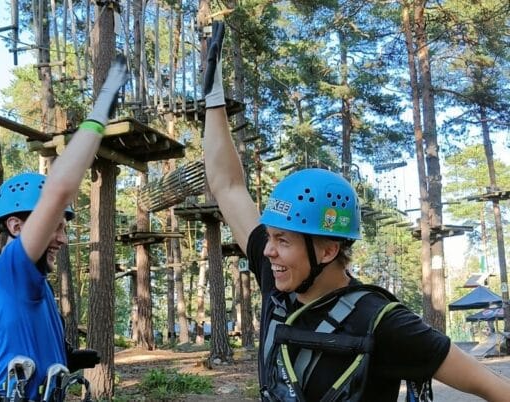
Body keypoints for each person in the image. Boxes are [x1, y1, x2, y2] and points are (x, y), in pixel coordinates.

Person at [201, 20, 510, 401]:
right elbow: (227, 186)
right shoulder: (280, 281)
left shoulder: (382, 322)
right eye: (271, 237)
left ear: (328, 250)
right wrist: (212, 99)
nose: (267, 249)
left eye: (282, 240)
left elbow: (493, 387)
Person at [0, 55, 129, 402]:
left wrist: (63, 355)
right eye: (54, 226)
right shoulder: (12, 272)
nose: (62, 238)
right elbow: (59, 190)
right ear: (16, 226)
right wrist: (100, 112)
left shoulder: (36, 287)